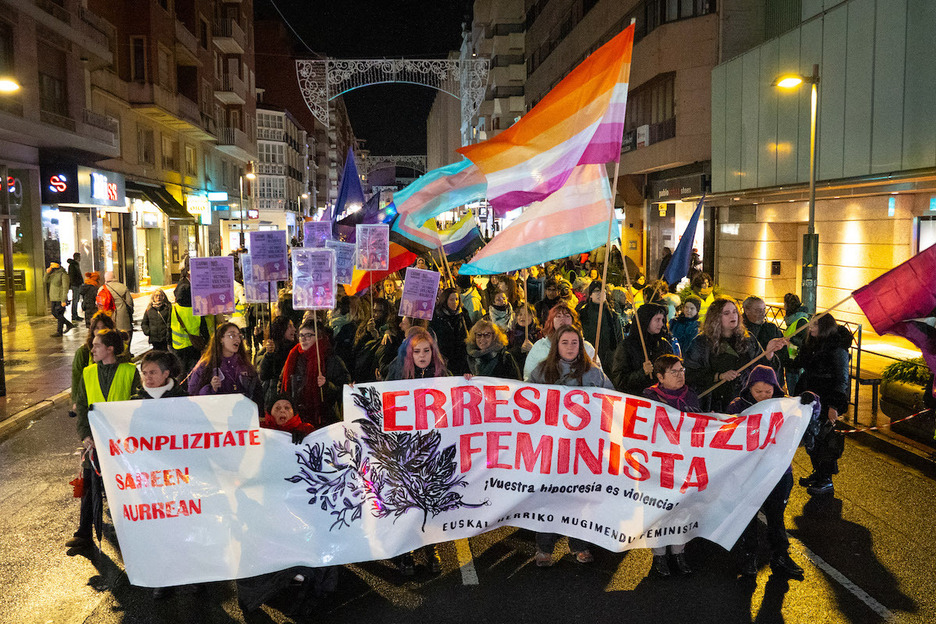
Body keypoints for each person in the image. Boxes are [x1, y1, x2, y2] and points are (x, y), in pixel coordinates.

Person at [529, 325, 613, 566]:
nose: (569, 347)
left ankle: (580, 545)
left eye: (574, 343)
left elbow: (613, 400)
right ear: (557, 345)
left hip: (583, 448)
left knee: (580, 498)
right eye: (564, 342)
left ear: (581, 345)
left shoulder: (594, 373)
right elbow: (523, 398)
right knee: (549, 496)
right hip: (551, 447)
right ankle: (544, 548)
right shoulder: (541, 371)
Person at [727, 365, 811, 578]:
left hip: (778, 473)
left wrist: (813, 402)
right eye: (758, 392)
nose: (764, 397)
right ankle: (748, 557)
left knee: (776, 517)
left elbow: (810, 413)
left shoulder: (785, 405)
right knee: (747, 518)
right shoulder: (737, 407)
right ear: (749, 389)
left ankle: (781, 557)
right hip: (748, 474)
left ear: (776, 388)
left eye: (768, 392)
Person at [67, 329, 142, 552]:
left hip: (121, 444)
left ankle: (130, 533)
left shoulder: (130, 371)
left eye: (97, 345)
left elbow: (138, 405)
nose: (92, 349)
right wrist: (85, 435)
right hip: (95, 441)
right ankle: (83, 534)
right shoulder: (88, 373)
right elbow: (82, 406)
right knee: (88, 486)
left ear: (110, 349)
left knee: (123, 488)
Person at [384, 326, 449, 574]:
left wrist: (465, 382)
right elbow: (382, 401)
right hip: (404, 447)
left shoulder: (444, 374)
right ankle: (406, 550)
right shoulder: (397, 373)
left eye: (426, 350)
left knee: (428, 498)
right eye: (417, 351)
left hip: (432, 447)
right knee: (406, 499)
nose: (422, 355)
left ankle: (430, 547)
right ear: (408, 353)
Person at [642, 354, 699, 576]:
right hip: (658, 464)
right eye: (673, 372)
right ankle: (659, 557)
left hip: (684, 462)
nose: (680, 375)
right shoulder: (649, 398)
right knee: (658, 509)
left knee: (682, 509)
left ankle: (678, 553)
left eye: (681, 370)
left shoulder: (691, 396)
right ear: (660, 377)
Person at [684, 297, 786, 413]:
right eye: (726, 313)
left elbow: (763, 370)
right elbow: (691, 374)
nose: (733, 316)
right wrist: (719, 376)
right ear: (715, 318)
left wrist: (769, 353)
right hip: (715, 407)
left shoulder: (748, 339)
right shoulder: (701, 342)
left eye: (734, 312)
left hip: (745, 405)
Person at [793, 314, 851, 496]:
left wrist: (834, 406)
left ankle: (826, 478)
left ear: (825, 326)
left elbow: (842, 379)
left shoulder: (837, 348)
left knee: (824, 440)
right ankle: (817, 473)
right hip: (809, 397)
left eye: (815, 324)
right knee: (811, 438)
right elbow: (798, 363)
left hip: (827, 399)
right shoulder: (812, 344)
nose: (811, 327)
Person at [280, 319, 350, 428]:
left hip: (324, 421)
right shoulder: (293, 357)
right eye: (301, 335)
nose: (303, 339)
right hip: (296, 420)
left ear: (319, 337)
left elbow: (344, 390)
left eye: (308, 335)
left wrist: (327, 385)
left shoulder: (331, 359)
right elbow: (281, 383)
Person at [187, 322, 263, 409]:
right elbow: (193, 396)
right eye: (232, 335)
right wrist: (211, 389)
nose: (237, 339)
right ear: (221, 339)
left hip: (243, 416)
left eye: (239, 336)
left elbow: (257, 394)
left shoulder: (245, 366)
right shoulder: (205, 366)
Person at [611, 303, 676, 396]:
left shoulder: (664, 344)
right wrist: (642, 373)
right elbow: (619, 381)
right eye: (657, 320)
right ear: (646, 320)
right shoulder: (627, 346)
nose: (661, 324)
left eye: (662, 320)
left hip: (661, 399)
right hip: (637, 401)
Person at [524, 304, 601, 380]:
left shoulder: (586, 347)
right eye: (558, 316)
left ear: (573, 321)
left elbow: (599, 380)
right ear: (552, 321)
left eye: (567, 316)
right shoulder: (540, 346)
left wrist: (596, 369)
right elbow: (529, 376)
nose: (562, 319)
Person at [171, 279, 215, 379]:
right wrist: (207, 343)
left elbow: (168, 327)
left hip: (178, 347)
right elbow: (204, 329)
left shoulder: (173, 308)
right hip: (194, 346)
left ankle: (181, 389)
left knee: (180, 372)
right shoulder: (197, 309)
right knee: (194, 371)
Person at [742, 296, 787, 387]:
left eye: (763, 309)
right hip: (749, 381)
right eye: (758, 310)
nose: (762, 313)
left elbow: (784, 354)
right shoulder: (741, 331)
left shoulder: (771, 329)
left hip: (772, 380)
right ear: (747, 311)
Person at [576, 280, 623, 369]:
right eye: (596, 291)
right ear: (590, 295)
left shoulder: (612, 316)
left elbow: (619, 339)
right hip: (587, 358)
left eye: (602, 291)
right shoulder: (582, 315)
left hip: (609, 361)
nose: (599, 294)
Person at [429, 287, 471, 375]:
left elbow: (470, 330)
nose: (455, 302)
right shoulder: (436, 316)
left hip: (461, 358)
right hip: (444, 358)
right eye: (451, 299)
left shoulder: (463, 314)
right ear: (445, 300)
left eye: (457, 299)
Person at [257, 316, 297, 404]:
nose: (294, 329)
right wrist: (269, 355)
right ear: (281, 329)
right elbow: (263, 375)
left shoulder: (296, 350)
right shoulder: (267, 350)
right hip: (273, 398)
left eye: (293, 326)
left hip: (293, 395)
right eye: (290, 326)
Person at [782, 293, 810, 392]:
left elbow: (803, 342)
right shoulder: (793, 321)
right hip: (790, 361)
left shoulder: (801, 321)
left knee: (795, 394)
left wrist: (790, 341)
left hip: (795, 364)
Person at [506, 303, 540, 374]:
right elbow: (505, 355)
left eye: (526, 315)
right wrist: (519, 350)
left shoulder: (539, 334)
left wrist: (534, 350)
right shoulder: (510, 334)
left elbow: (546, 356)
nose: (522, 317)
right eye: (520, 314)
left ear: (532, 316)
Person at [101, 271, 134, 345]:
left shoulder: (101, 289)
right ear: (114, 277)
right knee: (126, 336)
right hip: (122, 317)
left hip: (108, 317)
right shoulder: (122, 287)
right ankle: (126, 352)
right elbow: (129, 303)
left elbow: (99, 305)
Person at [44, 260, 75, 337]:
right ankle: (66, 326)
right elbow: (45, 281)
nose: (51, 266)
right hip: (53, 297)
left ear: (57, 265)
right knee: (55, 313)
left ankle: (60, 331)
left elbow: (65, 287)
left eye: (53, 264)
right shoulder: (53, 274)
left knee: (58, 313)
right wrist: (47, 273)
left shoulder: (63, 274)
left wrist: (63, 299)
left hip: (60, 297)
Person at [67, 252, 83, 322]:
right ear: (77, 257)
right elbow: (72, 276)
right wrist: (75, 283)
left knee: (76, 299)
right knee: (75, 299)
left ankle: (75, 315)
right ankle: (74, 315)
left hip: (76, 284)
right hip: (75, 285)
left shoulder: (74, 265)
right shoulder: (73, 265)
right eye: (79, 257)